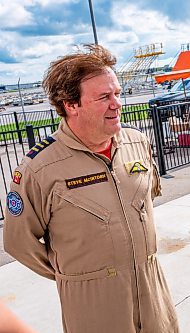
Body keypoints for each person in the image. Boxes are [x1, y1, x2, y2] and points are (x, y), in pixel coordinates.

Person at [3, 44, 179, 333]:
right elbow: (18, 243)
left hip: (154, 297)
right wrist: (80, 276)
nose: (117, 104)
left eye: (117, 94)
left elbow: (144, 205)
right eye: (104, 97)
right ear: (71, 105)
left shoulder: (137, 143)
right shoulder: (40, 168)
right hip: (95, 309)